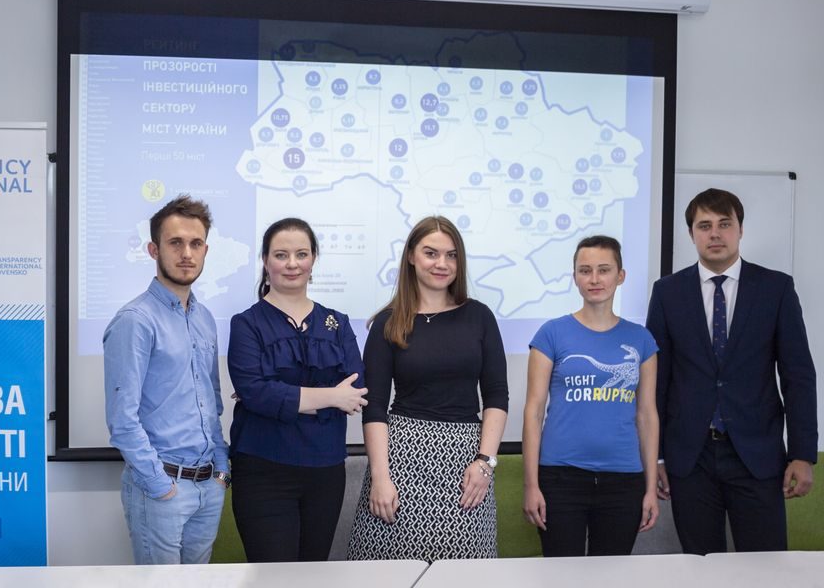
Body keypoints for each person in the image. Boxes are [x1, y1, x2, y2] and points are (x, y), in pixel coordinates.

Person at [646, 187, 817, 554]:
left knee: (765, 566)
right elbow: (657, 382)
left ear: (740, 229)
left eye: (724, 224)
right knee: (700, 565)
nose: (715, 234)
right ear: (691, 233)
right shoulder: (667, 293)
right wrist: (655, 456)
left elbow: (798, 376)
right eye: (704, 225)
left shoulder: (776, 289)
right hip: (690, 458)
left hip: (757, 455)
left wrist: (802, 454)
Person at [347, 215, 509, 562]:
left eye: (451, 255)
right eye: (431, 253)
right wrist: (380, 477)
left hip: (468, 465)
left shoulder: (479, 317)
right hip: (400, 463)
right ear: (411, 256)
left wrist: (485, 462)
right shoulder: (388, 322)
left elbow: (496, 395)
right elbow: (374, 407)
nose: (442, 263)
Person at [226, 218, 368, 562]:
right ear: (265, 261)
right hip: (263, 471)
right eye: (281, 255)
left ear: (313, 259)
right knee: (273, 578)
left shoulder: (337, 323)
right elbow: (256, 393)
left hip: (325, 471)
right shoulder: (246, 324)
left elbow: (356, 389)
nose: (292, 263)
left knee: (312, 575)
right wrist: (330, 396)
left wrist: (284, 395)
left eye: (301, 254)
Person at [103, 194, 229, 565]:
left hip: (208, 485)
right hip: (163, 488)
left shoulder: (204, 318)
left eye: (195, 243)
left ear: (206, 250)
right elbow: (122, 420)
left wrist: (222, 470)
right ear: (154, 250)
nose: (187, 253)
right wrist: (159, 484)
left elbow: (212, 402)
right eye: (175, 243)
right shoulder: (135, 320)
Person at [522, 235, 659, 556]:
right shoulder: (551, 333)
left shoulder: (641, 339)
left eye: (604, 270)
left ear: (620, 276)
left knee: (611, 576)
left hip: (623, 481)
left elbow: (647, 415)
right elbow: (533, 411)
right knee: (562, 575)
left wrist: (651, 488)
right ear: (575, 278)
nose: (595, 279)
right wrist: (531, 485)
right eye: (585, 271)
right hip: (560, 479)